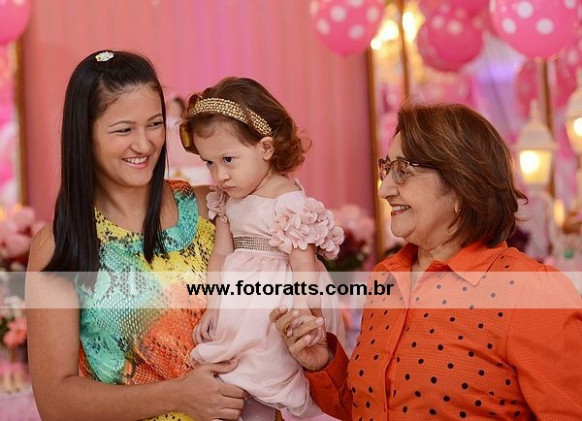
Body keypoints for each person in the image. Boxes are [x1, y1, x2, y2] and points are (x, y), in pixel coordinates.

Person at [271, 102, 582, 420]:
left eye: (403, 170)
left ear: (460, 184)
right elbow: (367, 408)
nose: (384, 189)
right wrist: (322, 361)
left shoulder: (531, 291)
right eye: (387, 169)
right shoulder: (386, 277)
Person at [25, 50, 247, 421]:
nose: (144, 145)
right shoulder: (61, 246)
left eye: (154, 124)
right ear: (85, 134)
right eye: (124, 130)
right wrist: (179, 396)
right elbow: (55, 400)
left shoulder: (213, 209)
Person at [179, 76, 345, 420]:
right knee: (237, 371)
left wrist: (303, 308)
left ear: (266, 148)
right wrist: (213, 307)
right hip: (240, 301)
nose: (219, 175)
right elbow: (221, 255)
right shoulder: (226, 201)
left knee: (272, 370)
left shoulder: (288, 200)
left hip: (281, 301)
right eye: (209, 163)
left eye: (228, 159)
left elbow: (303, 265)